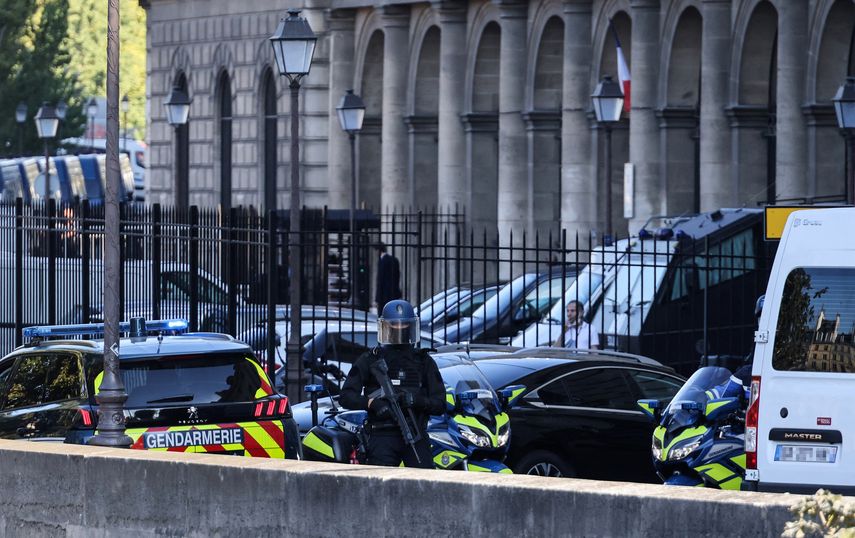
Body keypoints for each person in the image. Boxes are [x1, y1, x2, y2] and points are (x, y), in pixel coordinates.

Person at [340, 299, 445, 468]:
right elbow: (346, 397)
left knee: (424, 486)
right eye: (394, 328)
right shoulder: (370, 359)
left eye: (403, 329)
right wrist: (371, 403)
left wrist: (417, 401)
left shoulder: (424, 361)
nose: (399, 334)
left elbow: (440, 404)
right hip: (382, 436)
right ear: (385, 328)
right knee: (380, 487)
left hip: (414, 434)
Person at [375, 243, 402, 312]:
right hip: (394, 294)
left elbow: (380, 281)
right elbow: (397, 277)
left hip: (383, 296)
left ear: (378, 251)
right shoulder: (394, 260)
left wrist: (377, 298)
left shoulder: (382, 261)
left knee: (383, 316)